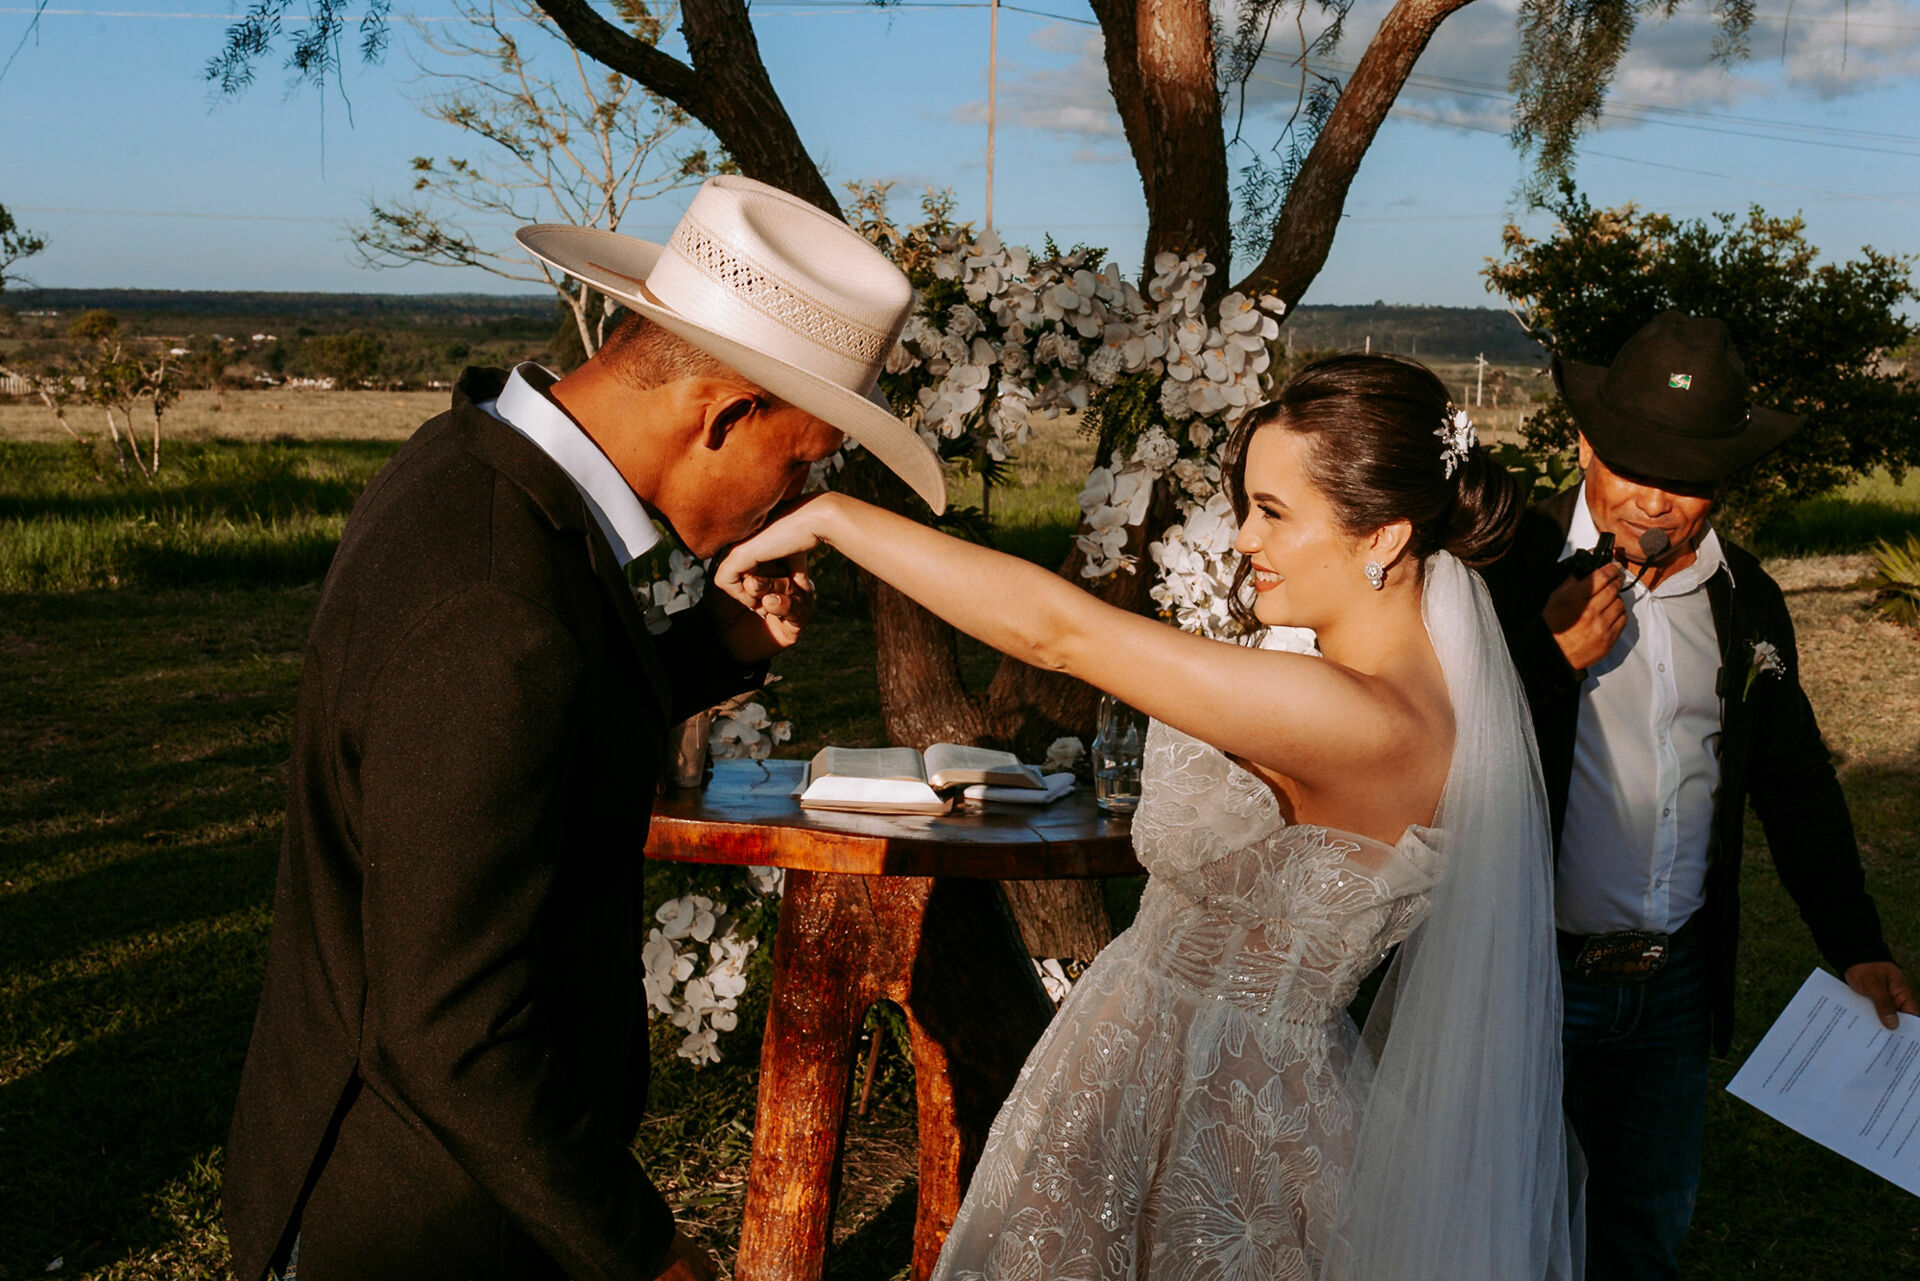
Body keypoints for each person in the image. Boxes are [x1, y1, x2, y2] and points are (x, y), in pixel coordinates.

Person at [221, 175, 948, 1281]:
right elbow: (451, 1028)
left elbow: (526, 746)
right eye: (798, 463)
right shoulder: (498, 606)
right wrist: (650, 1254)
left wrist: (712, 650)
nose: (788, 496)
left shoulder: (468, 469)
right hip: (422, 1216)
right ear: (720, 414)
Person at [715, 354, 1582, 1279]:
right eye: (1247, 505)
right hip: (1169, 1072)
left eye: (1275, 514)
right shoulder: (1395, 686)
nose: (1245, 538)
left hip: (1211, 1118)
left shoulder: (1359, 716)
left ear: (1383, 535)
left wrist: (836, 517)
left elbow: (1062, 632)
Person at [1483, 311, 1916, 1281]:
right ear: (1588, 442)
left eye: (1688, 480)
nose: (1657, 501)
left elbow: (1794, 781)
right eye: (1635, 464)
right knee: (1506, 1225)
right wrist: (1552, 665)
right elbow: (1431, 752)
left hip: (1674, 984)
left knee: (1645, 1225)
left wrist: (1855, 944)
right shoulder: (1506, 569)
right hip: (1526, 973)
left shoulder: (1746, 597)